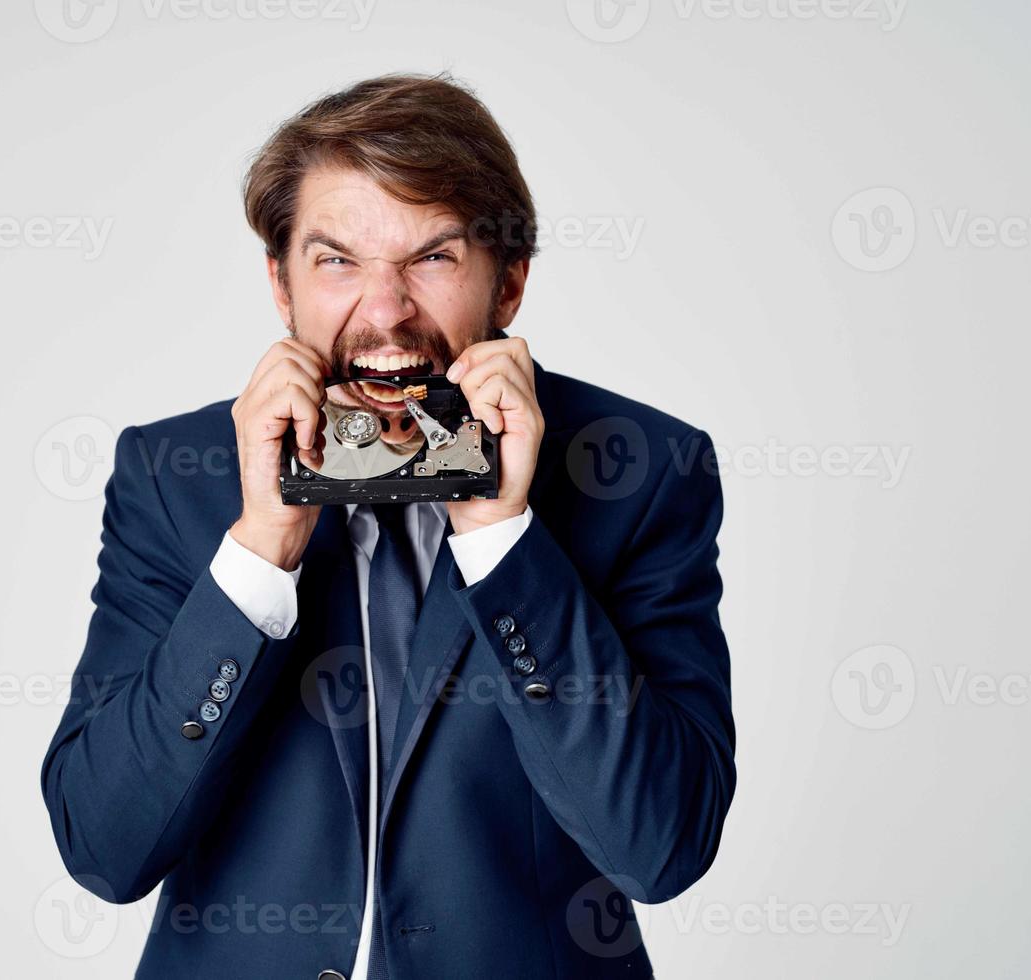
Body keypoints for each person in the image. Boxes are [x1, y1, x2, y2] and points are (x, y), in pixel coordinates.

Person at [41, 72, 736, 980]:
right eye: (337, 261)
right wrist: (258, 553)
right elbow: (104, 848)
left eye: (433, 258)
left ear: (511, 282)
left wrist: (500, 535)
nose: (385, 310)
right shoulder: (175, 481)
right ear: (281, 287)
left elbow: (661, 848)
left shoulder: (640, 473)